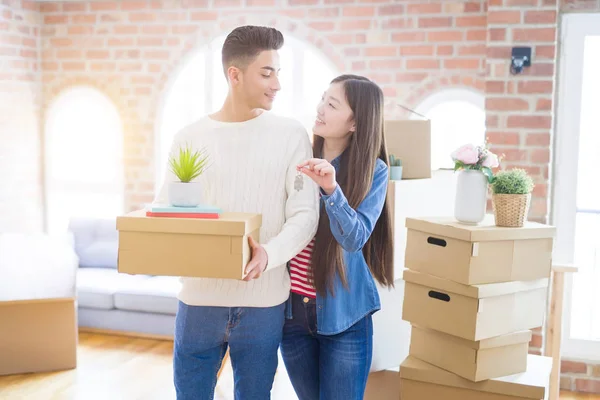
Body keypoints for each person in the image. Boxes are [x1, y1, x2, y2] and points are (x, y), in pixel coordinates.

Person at [154, 26, 319, 399]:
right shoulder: (189, 137)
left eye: (279, 73)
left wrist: (269, 254)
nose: (277, 83)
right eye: (267, 72)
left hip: (263, 303)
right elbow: (169, 209)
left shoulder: (291, 134)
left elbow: (306, 214)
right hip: (197, 301)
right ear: (234, 75)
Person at [280, 75, 395, 400]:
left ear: (356, 122)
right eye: (322, 99)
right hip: (292, 314)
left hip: (344, 316)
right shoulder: (296, 159)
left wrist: (331, 189)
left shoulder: (374, 171)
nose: (320, 109)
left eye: (332, 104)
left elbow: (354, 238)